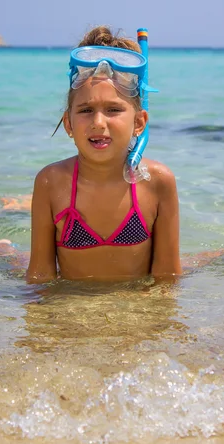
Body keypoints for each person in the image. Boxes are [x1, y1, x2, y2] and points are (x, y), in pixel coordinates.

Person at [26, 26, 182, 284]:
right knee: (5, 257)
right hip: (75, 305)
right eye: (86, 110)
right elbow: (40, 277)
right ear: (68, 123)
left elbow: (168, 277)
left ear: (139, 122)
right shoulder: (50, 182)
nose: (98, 122)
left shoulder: (157, 182)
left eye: (113, 110)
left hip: (131, 307)